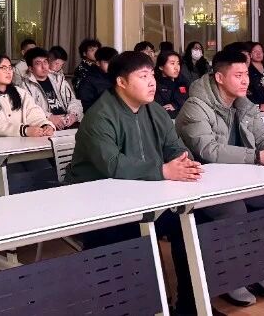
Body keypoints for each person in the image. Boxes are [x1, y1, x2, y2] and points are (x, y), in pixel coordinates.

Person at [66, 51, 203, 316]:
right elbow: (112, 165)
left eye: (152, 75)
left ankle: (189, 305)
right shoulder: (100, 116)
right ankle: (136, 306)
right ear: (121, 82)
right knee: (127, 235)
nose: (152, 82)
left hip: (144, 196)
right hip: (98, 204)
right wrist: (163, 170)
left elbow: (174, 147)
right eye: (143, 76)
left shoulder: (154, 110)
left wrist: (185, 163)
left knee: (189, 221)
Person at [176, 47, 264, 307]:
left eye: (246, 75)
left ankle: (261, 269)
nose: (245, 81)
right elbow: (208, 149)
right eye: (238, 75)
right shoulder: (195, 107)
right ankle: (233, 278)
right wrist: (257, 157)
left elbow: (262, 137)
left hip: (241, 180)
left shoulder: (244, 105)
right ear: (220, 77)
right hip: (205, 183)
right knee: (234, 209)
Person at [0, 53, 55, 140]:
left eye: (10, 67)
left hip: (22, 144)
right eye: (3, 68)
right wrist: (24, 130)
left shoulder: (21, 93)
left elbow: (33, 113)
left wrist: (44, 125)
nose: (9, 71)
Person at [17, 47, 83, 130]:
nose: (44, 66)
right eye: (38, 63)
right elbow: (28, 111)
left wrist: (74, 114)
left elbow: (73, 100)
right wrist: (49, 117)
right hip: (47, 127)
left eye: (45, 62)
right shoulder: (24, 87)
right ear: (30, 68)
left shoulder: (58, 80)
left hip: (68, 123)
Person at [78, 46, 118, 112]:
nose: (111, 65)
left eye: (113, 61)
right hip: (100, 114)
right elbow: (86, 105)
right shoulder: (88, 80)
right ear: (98, 63)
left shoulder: (118, 76)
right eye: (107, 62)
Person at [154, 50, 187, 119]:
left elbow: (187, 98)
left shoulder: (183, 81)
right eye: (172, 63)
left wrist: (176, 105)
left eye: (178, 63)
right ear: (161, 67)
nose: (176, 67)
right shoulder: (155, 84)